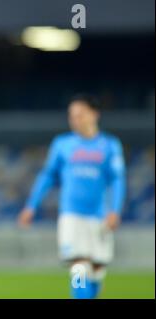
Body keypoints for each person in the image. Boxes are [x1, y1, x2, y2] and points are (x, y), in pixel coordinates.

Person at [17, 94, 126, 299]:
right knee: (79, 267)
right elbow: (47, 176)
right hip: (72, 215)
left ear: (94, 114)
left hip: (100, 216)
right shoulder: (62, 144)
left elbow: (117, 181)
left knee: (95, 272)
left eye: (80, 115)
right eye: (71, 116)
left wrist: (114, 210)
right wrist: (31, 205)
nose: (75, 119)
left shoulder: (110, 145)